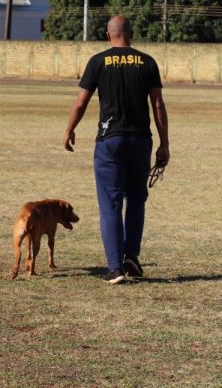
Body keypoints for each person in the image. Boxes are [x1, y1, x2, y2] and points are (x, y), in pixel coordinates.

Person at [64, 16, 170, 284]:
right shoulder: (147, 62)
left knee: (110, 204)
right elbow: (157, 104)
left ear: (107, 34)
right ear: (131, 33)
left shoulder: (98, 61)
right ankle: (131, 256)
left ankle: (114, 268)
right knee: (136, 200)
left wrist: (69, 130)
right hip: (140, 141)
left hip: (109, 140)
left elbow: (81, 103)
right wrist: (164, 143)